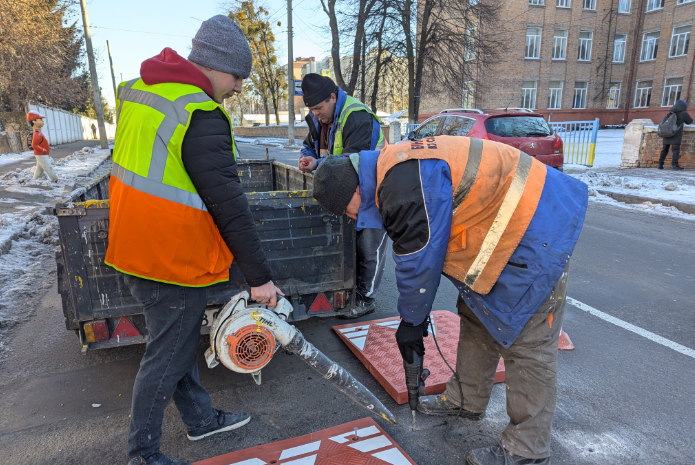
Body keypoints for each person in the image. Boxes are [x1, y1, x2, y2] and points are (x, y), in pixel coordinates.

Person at [311, 136, 588, 465]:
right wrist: (411, 320)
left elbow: (418, 260)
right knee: (475, 312)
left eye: (346, 209)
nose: (353, 217)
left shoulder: (399, 187)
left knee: (527, 339)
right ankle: (465, 400)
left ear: (355, 190)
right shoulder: (391, 170)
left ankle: (527, 448)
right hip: (506, 228)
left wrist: (412, 323)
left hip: (538, 228)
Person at [105, 15, 283, 465]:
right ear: (216, 64)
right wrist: (260, 279)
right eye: (238, 75)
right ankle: (142, 453)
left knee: (176, 345)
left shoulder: (142, 92)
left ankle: (200, 420)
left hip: (136, 247)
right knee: (166, 358)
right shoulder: (199, 113)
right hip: (170, 259)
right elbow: (229, 205)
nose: (241, 86)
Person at [298, 73, 388, 318]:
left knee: (369, 247)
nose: (316, 113)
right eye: (312, 110)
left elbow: (352, 162)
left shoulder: (356, 116)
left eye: (319, 108)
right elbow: (309, 144)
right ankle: (350, 289)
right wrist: (307, 156)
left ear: (332, 97)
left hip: (372, 189)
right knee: (350, 245)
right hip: (347, 191)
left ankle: (366, 298)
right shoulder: (318, 120)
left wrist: (318, 164)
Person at [659, 99, 692, 170]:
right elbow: (689, 121)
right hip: (675, 134)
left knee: (664, 149)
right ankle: (674, 165)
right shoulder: (683, 113)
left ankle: (660, 164)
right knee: (675, 150)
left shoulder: (670, 112)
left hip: (667, 133)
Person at [26, 111, 58, 182]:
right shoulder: (36, 134)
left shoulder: (39, 132)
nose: (42, 122)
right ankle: (55, 179)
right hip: (41, 154)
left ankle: (35, 179)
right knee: (48, 167)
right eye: (40, 120)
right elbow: (34, 145)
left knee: (39, 168)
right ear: (34, 121)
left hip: (42, 154)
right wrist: (43, 150)